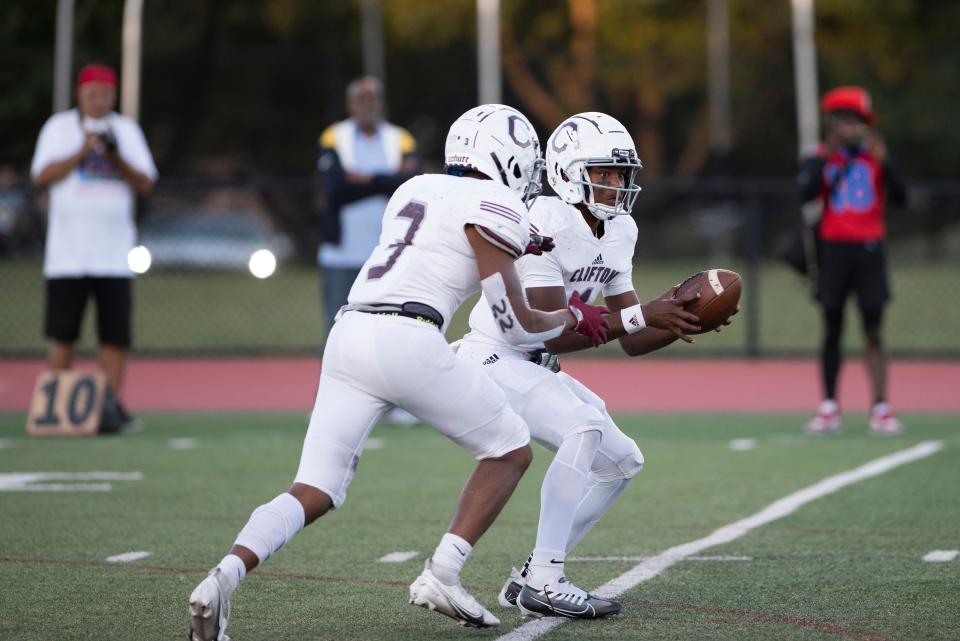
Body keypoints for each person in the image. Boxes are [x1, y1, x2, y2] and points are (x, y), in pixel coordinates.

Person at [187, 104, 611, 640]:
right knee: (510, 449)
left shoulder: (413, 189)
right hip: (408, 338)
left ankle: (223, 577)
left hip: (348, 333)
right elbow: (517, 323)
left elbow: (446, 236)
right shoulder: (497, 202)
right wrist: (577, 315)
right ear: (508, 160)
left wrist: (522, 241)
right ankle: (443, 572)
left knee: (314, 487)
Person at [455, 112, 706, 619]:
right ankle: (546, 578)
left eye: (622, 174)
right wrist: (640, 313)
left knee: (622, 461)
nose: (618, 185)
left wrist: (683, 319)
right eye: (607, 173)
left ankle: (531, 576)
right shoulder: (545, 219)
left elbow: (631, 337)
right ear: (568, 171)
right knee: (583, 427)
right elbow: (547, 327)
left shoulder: (620, 228)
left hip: (535, 364)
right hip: (495, 355)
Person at [30, 63, 157, 428]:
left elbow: (146, 182)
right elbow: (41, 175)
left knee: (114, 336)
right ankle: (54, 409)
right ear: (79, 94)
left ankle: (111, 409)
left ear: (113, 96)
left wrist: (115, 155)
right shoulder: (58, 128)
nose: (99, 101)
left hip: (113, 255)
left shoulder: (126, 130)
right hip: (67, 256)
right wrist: (81, 151)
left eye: (105, 94)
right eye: (92, 94)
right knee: (62, 332)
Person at [798, 87, 908, 436]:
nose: (849, 126)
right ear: (831, 123)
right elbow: (805, 192)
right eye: (843, 119)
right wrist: (829, 152)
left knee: (873, 328)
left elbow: (903, 197)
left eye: (855, 120)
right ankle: (829, 406)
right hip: (833, 249)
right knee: (832, 326)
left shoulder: (875, 154)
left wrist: (884, 159)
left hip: (869, 248)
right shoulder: (821, 155)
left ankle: (880, 406)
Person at [316, 76, 421, 339]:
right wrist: (387, 179)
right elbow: (336, 188)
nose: (368, 105)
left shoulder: (401, 138)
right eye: (362, 99)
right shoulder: (333, 137)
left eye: (373, 99)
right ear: (350, 105)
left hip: (388, 253)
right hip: (341, 253)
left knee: (387, 329)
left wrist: (365, 178)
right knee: (337, 329)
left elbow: (410, 184)